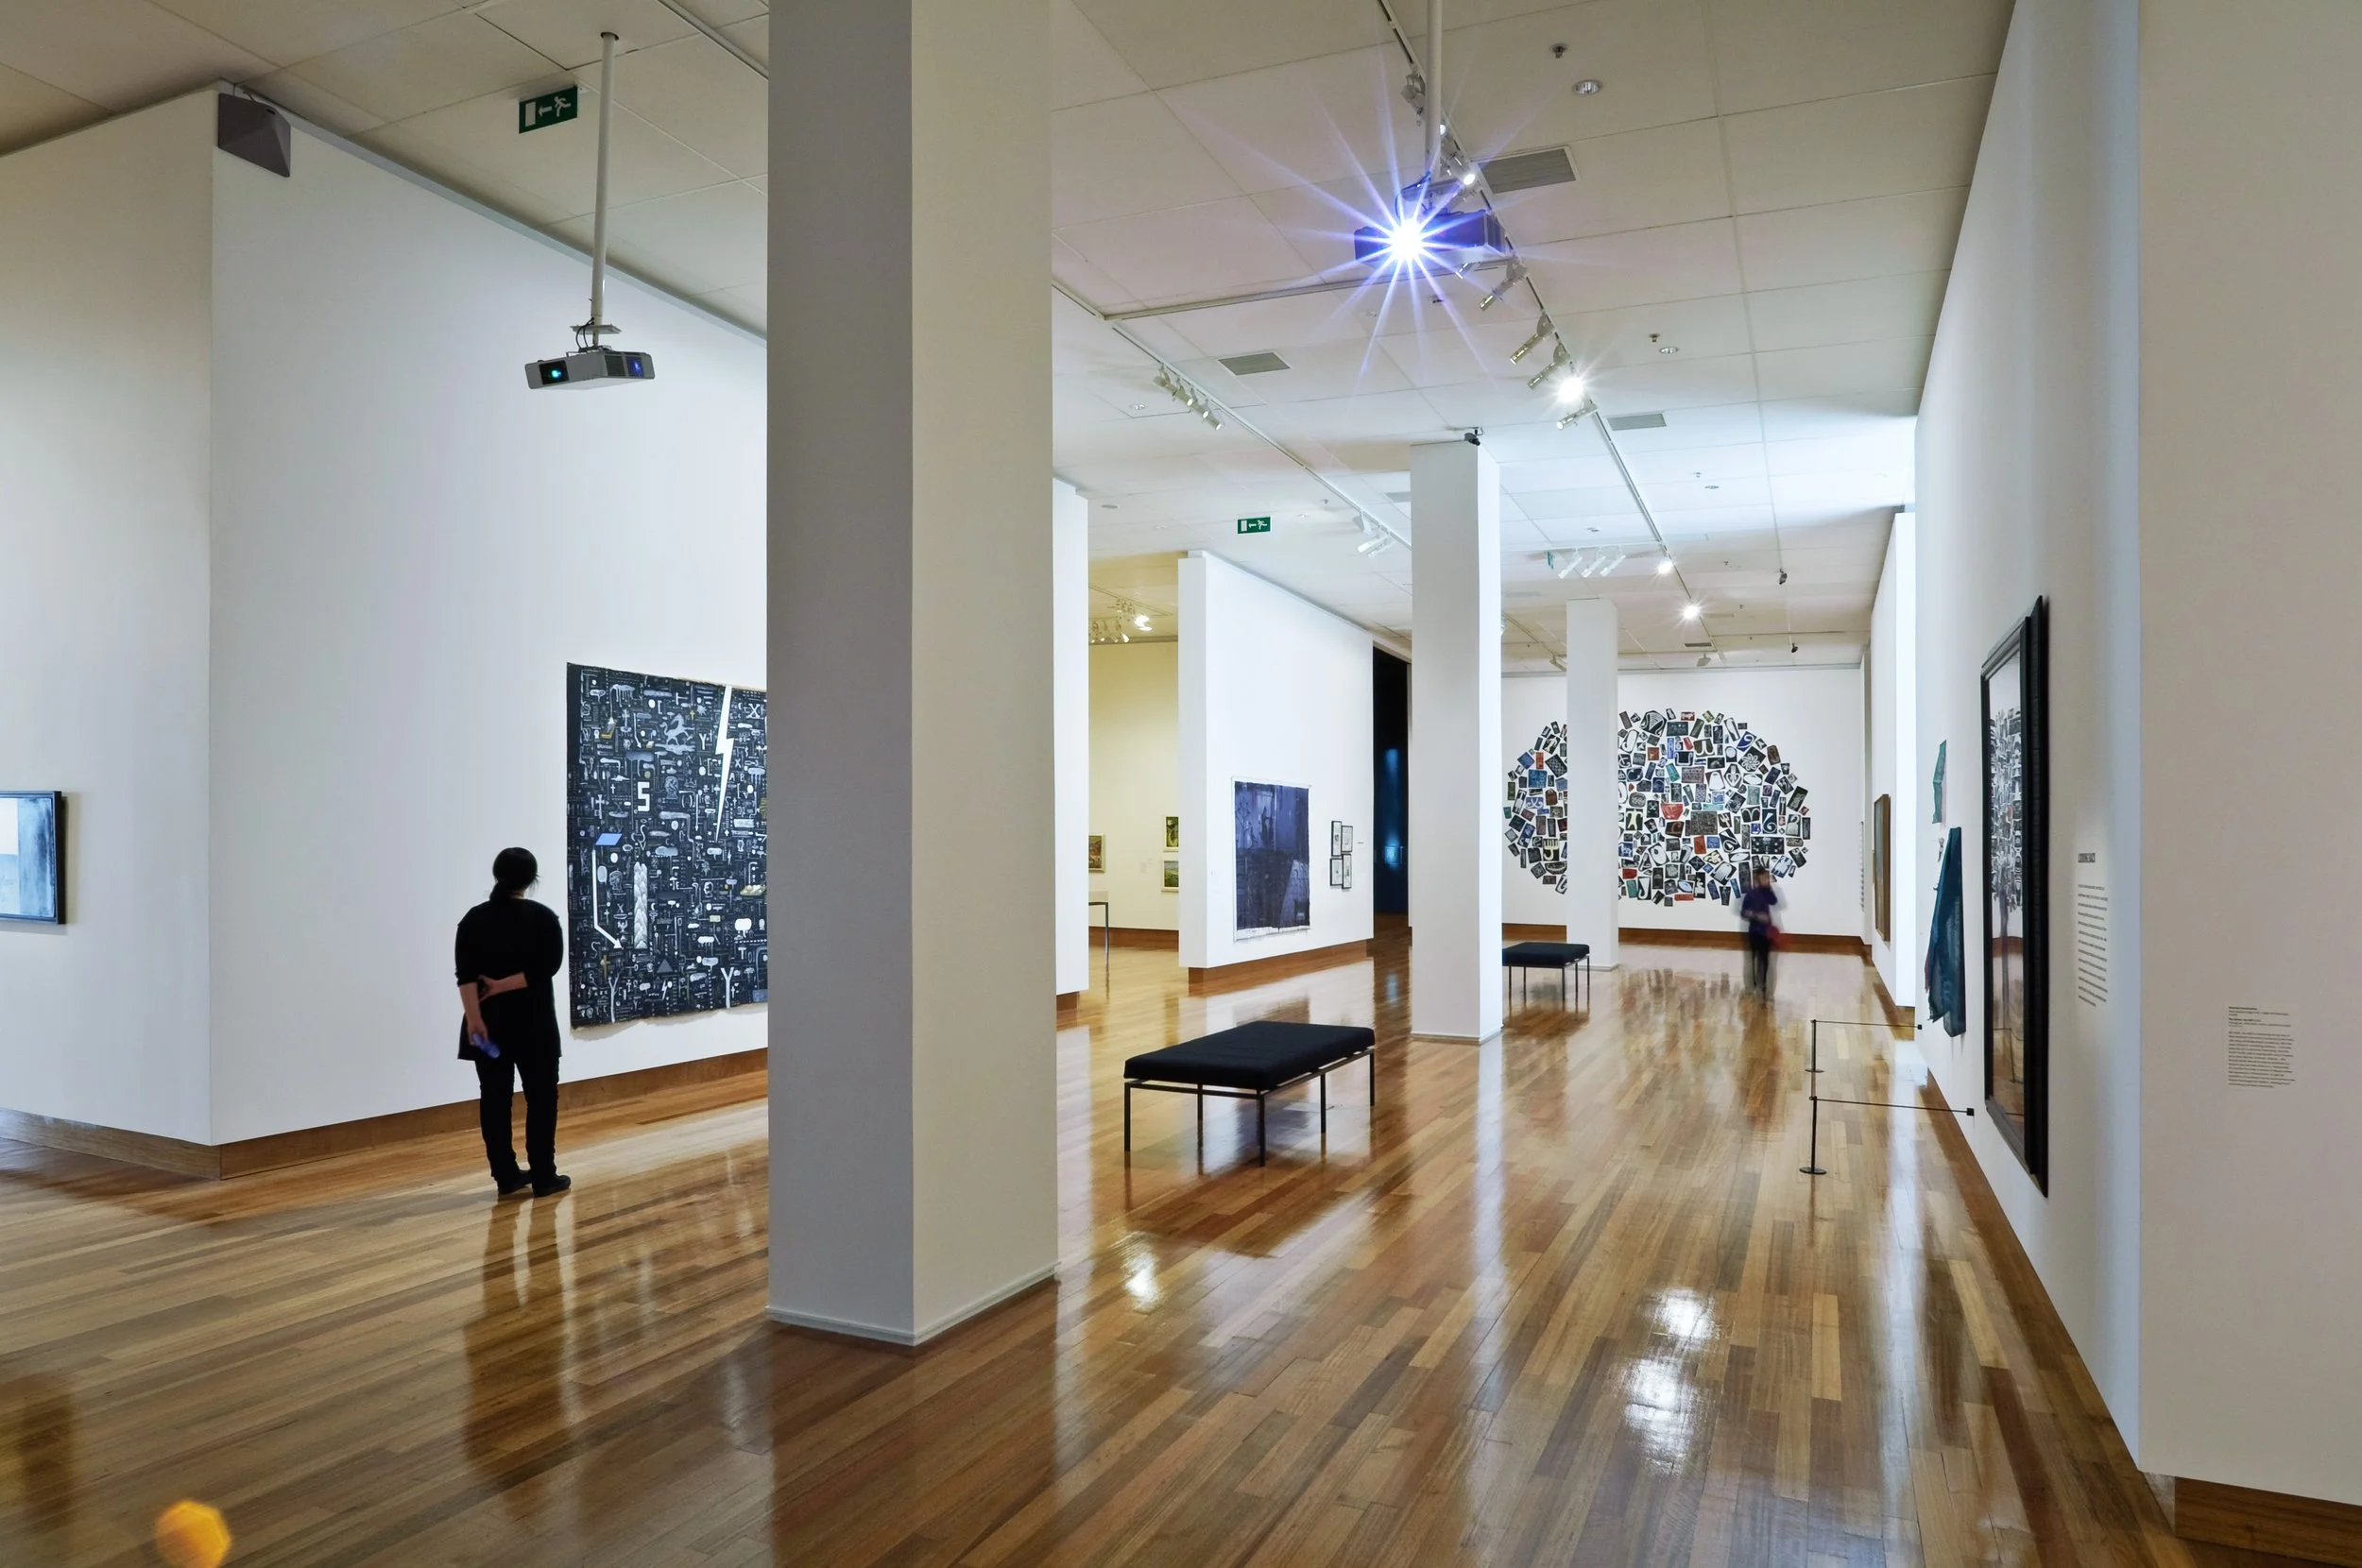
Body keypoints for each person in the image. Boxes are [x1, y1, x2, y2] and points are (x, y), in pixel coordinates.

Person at [455, 847, 569, 1198]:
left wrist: (475, 1019)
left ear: (496, 875)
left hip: (488, 1025)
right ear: (531, 880)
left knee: (494, 1099)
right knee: (541, 1099)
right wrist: (505, 984)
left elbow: (466, 976)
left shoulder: (473, 919)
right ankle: (543, 1176)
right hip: (534, 1026)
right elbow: (546, 969)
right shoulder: (543, 918)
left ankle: (505, 1175)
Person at [1739, 865, 1780, 996]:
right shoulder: (1750, 895)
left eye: (1768, 877)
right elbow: (1744, 913)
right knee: (1753, 960)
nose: (1767, 880)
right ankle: (1751, 986)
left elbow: (1774, 901)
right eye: (1764, 878)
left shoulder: (1767, 892)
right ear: (1757, 879)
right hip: (1755, 932)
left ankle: (1763, 985)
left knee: (1765, 960)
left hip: (1766, 932)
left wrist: (1769, 888)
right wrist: (1757, 916)